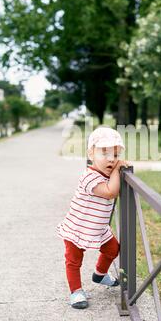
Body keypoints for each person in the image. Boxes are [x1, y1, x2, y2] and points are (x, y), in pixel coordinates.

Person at [55, 126, 130, 309]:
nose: (111, 159)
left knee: (113, 249)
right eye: (105, 153)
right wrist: (119, 168)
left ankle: (100, 274)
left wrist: (117, 171)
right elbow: (111, 192)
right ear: (91, 154)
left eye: (116, 154)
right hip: (78, 228)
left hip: (98, 228)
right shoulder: (89, 177)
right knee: (73, 261)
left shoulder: (107, 174)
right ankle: (76, 292)